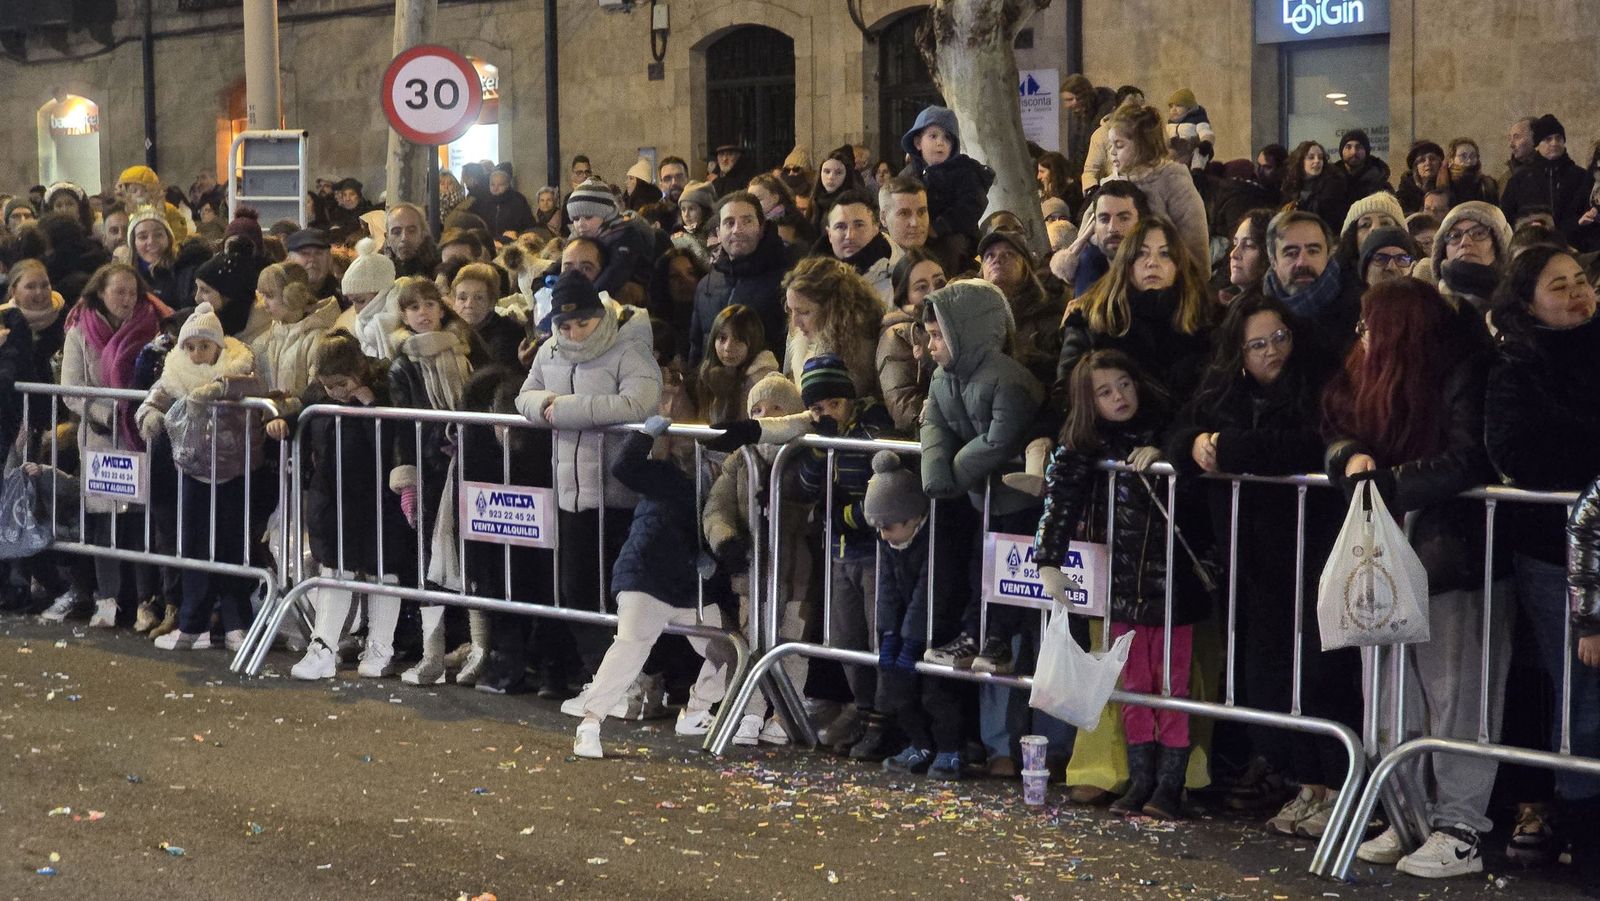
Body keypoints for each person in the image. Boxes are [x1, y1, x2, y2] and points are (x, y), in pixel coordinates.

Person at [1326, 277, 1507, 879]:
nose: (1362, 336)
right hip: (1388, 555)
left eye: (1371, 324)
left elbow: (1469, 458)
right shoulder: (1372, 376)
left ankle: (1460, 826)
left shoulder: (1463, 373)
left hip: (1455, 557)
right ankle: (1407, 814)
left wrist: (1389, 485)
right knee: (1388, 689)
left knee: (1460, 695)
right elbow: (1332, 420)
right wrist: (1348, 454)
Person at [1166, 292, 1352, 837]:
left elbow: (1308, 447)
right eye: (1257, 344)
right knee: (1266, 677)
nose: (1272, 351)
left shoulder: (1319, 385)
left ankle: (1338, 784)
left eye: (1280, 338)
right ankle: (1304, 783)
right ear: (1237, 352)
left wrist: (1233, 449)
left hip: (1313, 552)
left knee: (1322, 675)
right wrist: (1197, 443)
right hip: (1251, 560)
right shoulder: (1222, 392)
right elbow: (1178, 436)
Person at [1037, 349, 1201, 818]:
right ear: (1090, 402)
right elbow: (1059, 496)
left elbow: (1190, 450)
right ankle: (1141, 776)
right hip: (1121, 587)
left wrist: (1169, 451)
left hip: (1173, 584)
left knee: (1173, 685)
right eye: (1105, 392)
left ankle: (1171, 783)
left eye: (1124, 384)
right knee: (1132, 684)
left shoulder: (1168, 423)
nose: (1119, 397)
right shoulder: (1083, 444)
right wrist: (1049, 559)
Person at [1484, 245, 1600, 878]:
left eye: (1582, 280)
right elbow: (1522, 454)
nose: (1578, 293)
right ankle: (1586, 836)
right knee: (1583, 696)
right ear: (1527, 301)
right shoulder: (1514, 369)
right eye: (1559, 286)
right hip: (1559, 557)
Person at [517, 270, 662, 700]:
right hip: (571, 494)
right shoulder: (549, 353)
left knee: (624, 595)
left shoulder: (629, 349)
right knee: (576, 590)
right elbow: (525, 396)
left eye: (583, 321)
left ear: (600, 315)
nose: (575, 331)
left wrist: (564, 410)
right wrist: (544, 404)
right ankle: (603, 677)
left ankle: (635, 677)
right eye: (565, 325)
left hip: (620, 493)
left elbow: (640, 403)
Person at [570, 415, 736, 759]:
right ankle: (589, 723)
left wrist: (708, 558)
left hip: (688, 587)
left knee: (728, 649)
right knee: (630, 647)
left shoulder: (722, 492)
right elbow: (625, 467)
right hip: (646, 577)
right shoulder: (665, 478)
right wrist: (643, 438)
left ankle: (695, 712)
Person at [264, 331, 410, 679]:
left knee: (382, 569)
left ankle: (380, 647)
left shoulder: (385, 387)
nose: (336, 393)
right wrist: (285, 422)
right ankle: (324, 646)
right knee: (334, 567)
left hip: (378, 497)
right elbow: (303, 412)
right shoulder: (318, 395)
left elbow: (395, 437)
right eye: (329, 387)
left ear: (359, 371)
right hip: (332, 495)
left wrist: (371, 405)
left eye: (342, 384)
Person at [133, 302, 264, 652]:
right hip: (192, 469)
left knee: (231, 547)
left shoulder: (240, 369)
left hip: (233, 471)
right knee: (192, 547)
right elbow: (155, 396)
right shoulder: (175, 372)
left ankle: (236, 624)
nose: (195, 353)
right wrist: (148, 415)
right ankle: (194, 624)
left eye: (203, 346)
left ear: (218, 345)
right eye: (189, 346)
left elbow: (254, 391)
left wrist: (219, 389)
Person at [49, 262, 172, 626]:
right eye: (118, 291)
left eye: (132, 292)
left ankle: (141, 600)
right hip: (102, 435)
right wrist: (109, 414)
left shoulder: (152, 327)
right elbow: (72, 389)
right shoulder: (79, 331)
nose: (127, 299)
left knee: (139, 522)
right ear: (100, 293)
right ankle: (107, 597)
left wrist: (138, 415)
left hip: (140, 434)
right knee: (104, 523)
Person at [386, 278, 481, 683]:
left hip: (467, 466)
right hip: (430, 472)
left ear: (442, 308)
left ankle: (479, 647)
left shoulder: (465, 350)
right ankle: (432, 651)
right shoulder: (402, 364)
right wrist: (407, 479)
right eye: (413, 308)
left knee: (473, 557)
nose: (423, 313)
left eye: (429, 304)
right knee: (429, 561)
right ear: (404, 316)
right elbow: (403, 428)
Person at [863, 450, 968, 780]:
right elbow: (887, 589)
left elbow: (931, 592)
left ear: (913, 518)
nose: (882, 535)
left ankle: (951, 749)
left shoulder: (938, 541)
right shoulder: (890, 539)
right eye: (878, 528)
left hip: (943, 625)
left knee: (937, 694)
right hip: (912, 623)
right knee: (899, 688)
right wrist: (889, 633)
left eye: (889, 526)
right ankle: (920, 742)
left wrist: (911, 638)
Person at [1054, 216, 1215, 412]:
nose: (1152, 263)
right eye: (1141, 254)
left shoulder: (1204, 317)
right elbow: (1067, 389)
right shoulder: (1091, 317)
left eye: (1164, 254)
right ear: (1127, 264)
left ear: (1178, 266)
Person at [687, 192, 790, 366]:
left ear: (761, 228)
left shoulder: (783, 282)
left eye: (747, 221)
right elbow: (697, 346)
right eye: (729, 223)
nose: (737, 230)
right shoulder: (706, 284)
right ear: (719, 232)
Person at [1101, 104, 1209, 265]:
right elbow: (1090, 229)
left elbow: (1195, 245)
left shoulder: (1173, 181)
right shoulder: (1111, 184)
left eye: (1119, 145)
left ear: (1142, 146)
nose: (1112, 152)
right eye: (1111, 145)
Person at [901, 105, 993, 272]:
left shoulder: (964, 171)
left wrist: (939, 226)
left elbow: (972, 204)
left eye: (947, 138)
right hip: (916, 232)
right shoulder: (909, 175)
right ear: (917, 142)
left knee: (950, 250)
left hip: (955, 235)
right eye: (933, 136)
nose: (940, 142)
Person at [1261, 210, 1361, 358]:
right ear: (1273, 261)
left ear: (1328, 255)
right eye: (1291, 253)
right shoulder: (1254, 314)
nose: (1302, 262)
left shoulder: (1358, 310)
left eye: (1313, 251)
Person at [781, 256, 882, 400]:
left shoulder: (857, 356)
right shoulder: (803, 344)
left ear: (834, 310)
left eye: (804, 312)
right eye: (791, 310)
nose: (795, 322)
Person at [976, 227, 1064, 388]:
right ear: (982, 272)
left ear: (1026, 268)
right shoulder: (975, 319)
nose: (997, 260)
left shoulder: (1048, 315)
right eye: (990, 256)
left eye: (1008, 254)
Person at [877, 247, 944, 432]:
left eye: (939, 282)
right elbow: (905, 409)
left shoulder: (956, 324)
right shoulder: (897, 336)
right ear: (905, 297)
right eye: (922, 287)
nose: (934, 292)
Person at [252, 261, 341, 400]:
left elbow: (317, 394)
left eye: (269, 296)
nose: (263, 304)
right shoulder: (263, 341)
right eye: (261, 296)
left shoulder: (319, 339)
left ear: (291, 295)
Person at [1501, 114, 1591, 244]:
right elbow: (1506, 217)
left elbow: (1587, 213)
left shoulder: (1581, 177)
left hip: (1574, 246)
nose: (1554, 143)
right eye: (1548, 139)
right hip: (1532, 247)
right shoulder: (1519, 179)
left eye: (1558, 138)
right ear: (1537, 144)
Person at [1051, 180, 1147, 297]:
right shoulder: (1088, 268)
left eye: (1124, 218)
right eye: (1104, 219)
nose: (1112, 228)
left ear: (1142, 223)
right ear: (1094, 226)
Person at [566, 178, 655, 304]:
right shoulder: (586, 235)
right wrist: (544, 277)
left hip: (630, 301)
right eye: (575, 218)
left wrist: (585, 299)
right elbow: (565, 260)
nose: (580, 224)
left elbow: (617, 272)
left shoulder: (625, 234)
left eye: (588, 217)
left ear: (606, 214)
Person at [694, 303, 777, 427]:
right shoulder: (709, 374)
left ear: (753, 341)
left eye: (738, 340)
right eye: (722, 338)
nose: (728, 348)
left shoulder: (761, 381)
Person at [1431, 201, 1513, 317]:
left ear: (1500, 244)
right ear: (1443, 250)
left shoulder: (1522, 305)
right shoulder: (1427, 307)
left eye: (1479, 233)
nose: (1465, 242)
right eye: (1455, 236)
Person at [819, 189, 893, 305]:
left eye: (859, 225)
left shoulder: (898, 279)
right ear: (829, 234)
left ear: (876, 228)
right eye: (840, 227)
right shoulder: (813, 283)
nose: (850, 236)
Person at [449, 262, 524, 372]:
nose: (469, 305)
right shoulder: (449, 331)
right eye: (462, 298)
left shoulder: (508, 336)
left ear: (492, 302)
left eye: (479, 298)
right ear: (453, 301)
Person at [1281, 141, 1350, 233]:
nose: (1317, 161)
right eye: (1311, 157)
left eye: (1320, 157)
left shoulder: (1333, 186)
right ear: (1300, 161)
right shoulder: (1291, 186)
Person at [116, 165, 190, 242]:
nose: (140, 194)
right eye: (134, 190)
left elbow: (179, 232)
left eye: (145, 190)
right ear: (126, 194)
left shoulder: (168, 209)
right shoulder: (124, 212)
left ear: (154, 192)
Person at [126, 206, 180, 306]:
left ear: (168, 238)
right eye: (143, 237)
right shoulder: (125, 276)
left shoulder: (182, 270)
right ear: (134, 243)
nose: (151, 241)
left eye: (158, 235)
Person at [1219, 208, 1273, 305]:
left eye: (1248, 245)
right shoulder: (1223, 300)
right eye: (1235, 244)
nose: (1233, 254)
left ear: (1269, 254)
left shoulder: (1268, 313)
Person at [809, 147, 866, 233]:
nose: (831, 177)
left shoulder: (854, 203)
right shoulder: (815, 200)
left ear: (846, 176)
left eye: (838, 173)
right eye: (827, 171)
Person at [1330, 129, 1391, 206]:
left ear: (1366, 151)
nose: (1354, 152)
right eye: (1348, 147)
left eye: (1359, 147)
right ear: (1341, 151)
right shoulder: (1330, 181)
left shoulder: (1380, 184)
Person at [477, 166, 536, 242]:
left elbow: (529, 225)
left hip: (512, 242)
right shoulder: (484, 200)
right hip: (490, 242)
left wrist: (517, 235)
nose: (495, 188)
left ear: (508, 184)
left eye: (500, 185)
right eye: (492, 184)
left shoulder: (518, 200)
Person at [285, 227, 343, 303]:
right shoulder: (277, 303)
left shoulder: (346, 299)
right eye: (304, 253)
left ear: (330, 259)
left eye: (318, 253)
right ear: (289, 260)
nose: (312, 259)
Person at [383, 203, 440, 279]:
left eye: (411, 231)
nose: (404, 238)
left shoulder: (439, 270)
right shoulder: (378, 271)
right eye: (396, 232)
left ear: (422, 235)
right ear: (387, 238)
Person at [1438, 138, 1500, 208]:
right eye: (1463, 156)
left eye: (1473, 155)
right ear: (1451, 159)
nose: (1469, 160)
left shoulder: (1487, 185)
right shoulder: (1443, 183)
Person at [1165, 89, 1215, 170]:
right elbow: (1164, 137)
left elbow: (1206, 132)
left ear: (1189, 107)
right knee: (1167, 156)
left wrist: (1206, 142)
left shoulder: (1198, 120)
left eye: (1178, 105)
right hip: (1178, 151)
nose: (1174, 109)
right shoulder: (1170, 124)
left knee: (1199, 153)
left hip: (1193, 148)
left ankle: (1197, 171)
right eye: (1171, 106)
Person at [1395, 141, 1445, 214]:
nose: (1428, 163)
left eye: (1432, 159)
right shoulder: (1405, 191)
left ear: (1439, 163)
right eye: (1422, 160)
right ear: (1416, 167)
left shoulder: (1447, 187)